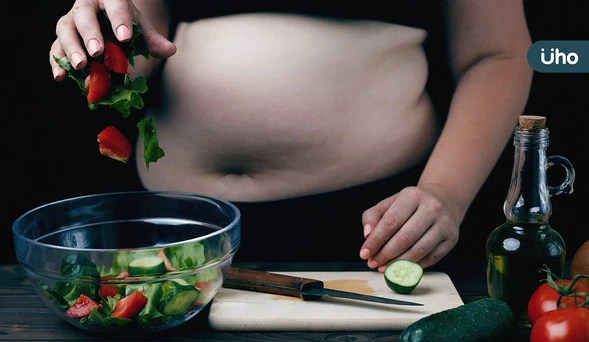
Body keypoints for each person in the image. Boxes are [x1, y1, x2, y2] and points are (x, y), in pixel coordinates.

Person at [49, 0, 533, 271]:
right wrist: (106, 41)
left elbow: (498, 54)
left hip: (375, 231)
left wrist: (444, 193)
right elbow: (141, 39)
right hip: (178, 234)